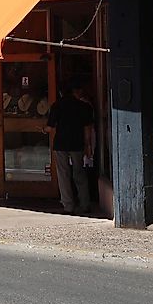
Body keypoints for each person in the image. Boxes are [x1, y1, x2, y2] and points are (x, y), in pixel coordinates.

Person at [46, 83, 95, 215]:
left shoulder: (57, 105)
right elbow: (87, 128)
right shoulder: (84, 107)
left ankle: (68, 205)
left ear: (61, 93)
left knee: (63, 174)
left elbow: (50, 127)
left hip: (61, 143)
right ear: (76, 91)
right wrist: (88, 145)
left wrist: (43, 130)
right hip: (77, 143)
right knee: (79, 172)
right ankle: (85, 204)